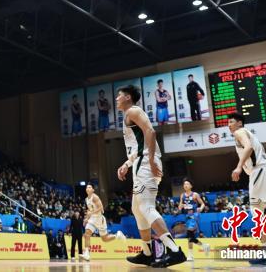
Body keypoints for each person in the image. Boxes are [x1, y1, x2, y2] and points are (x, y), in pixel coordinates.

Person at [116, 85, 186, 267]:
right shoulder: (129, 115)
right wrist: (126, 164)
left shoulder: (133, 111)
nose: (116, 99)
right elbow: (138, 147)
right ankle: (147, 253)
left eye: (119, 96)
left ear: (128, 97)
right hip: (142, 161)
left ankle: (175, 251)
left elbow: (151, 132)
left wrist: (152, 161)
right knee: (137, 209)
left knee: (146, 207)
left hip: (146, 163)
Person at [228, 112, 266, 265]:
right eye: (228, 122)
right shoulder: (251, 135)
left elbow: (248, 148)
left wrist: (238, 167)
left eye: (231, 122)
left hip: (259, 172)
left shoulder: (239, 132)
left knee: (257, 213)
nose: (229, 125)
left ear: (240, 123)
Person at [80, 184, 116, 261]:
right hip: (93, 218)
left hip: (99, 219)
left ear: (93, 190)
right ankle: (87, 254)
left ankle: (117, 236)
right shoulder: (86, 199)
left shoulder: (95, 197)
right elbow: (90, 210)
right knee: (87, 234)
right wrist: (86, 218)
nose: (88, 188)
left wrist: (91, 213)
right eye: (87, 187)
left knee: (105, 239)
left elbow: (101, 208)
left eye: (90, 187)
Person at [178, 179, 208, 261]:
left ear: (191, 186)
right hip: (187, 216)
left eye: (187, 184)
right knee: (190, 237)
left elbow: (202, 204)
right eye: (184, 184)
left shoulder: (195, 194)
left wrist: (200, 208)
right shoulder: (182, 195)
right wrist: (181, 206)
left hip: (194, 215)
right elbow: (180, 207)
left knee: (189, 233)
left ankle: (193, 254)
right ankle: (203, 247)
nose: (185, 185)